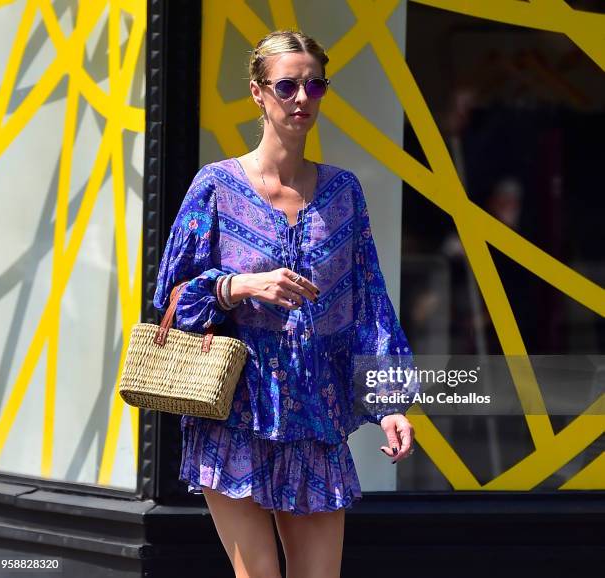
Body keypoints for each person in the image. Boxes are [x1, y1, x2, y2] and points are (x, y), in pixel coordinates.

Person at [153, 29, 419, 578]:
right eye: (287, 85)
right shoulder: (217, 187)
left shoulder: (343, 192)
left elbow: (369, 302)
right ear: (258, 93)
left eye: (314, 85)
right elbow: (172, 300)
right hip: (235, 415)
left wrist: (389, 400)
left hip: (316, 421)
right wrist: (242, 286)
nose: (302, 98)